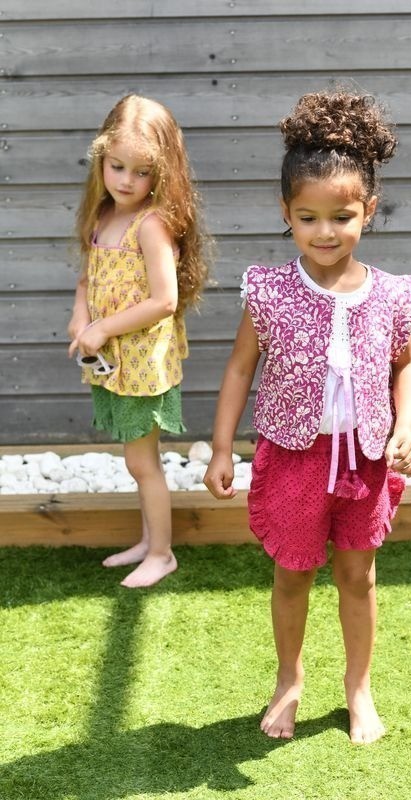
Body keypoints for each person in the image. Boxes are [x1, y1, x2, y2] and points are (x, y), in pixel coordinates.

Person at [203, 89, 411, 743]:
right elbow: (239, 369)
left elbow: (406, 366)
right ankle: (289, 680)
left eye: (341, 217)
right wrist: (222, 448)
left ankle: (358, 688)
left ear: (368, 211)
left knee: (358, 574)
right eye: (308, 218)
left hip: (365, 458)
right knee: (292, 573)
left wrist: (406, 429)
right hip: (292, 458)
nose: (325, 232)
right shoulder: (269, 292)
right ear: (287, 214)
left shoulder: (389, 295)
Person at [68, 94, 209, 588]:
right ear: (101, 159)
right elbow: (88, 278)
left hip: (143, 362)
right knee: (137, 461)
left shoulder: (150, 226)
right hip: (115, 360)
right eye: (117, 166)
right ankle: (149, 542)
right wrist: (81, 317)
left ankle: (163, 553)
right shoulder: (103, 215)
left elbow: (165, 300)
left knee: (141, 461)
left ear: (162, 173)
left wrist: (104, 327)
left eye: (141, 172)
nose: (126, 180)